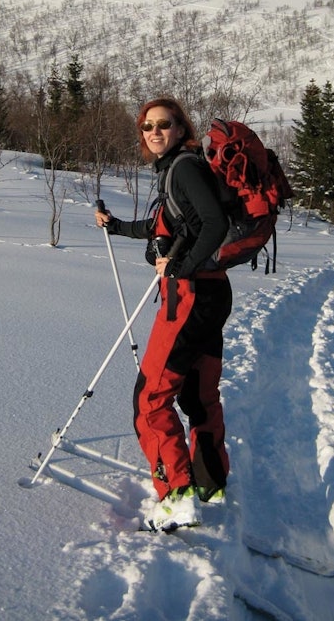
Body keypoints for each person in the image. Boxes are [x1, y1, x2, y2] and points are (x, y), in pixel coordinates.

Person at [94, 97, 232, 531]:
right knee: (198, 395)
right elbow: (169, 227)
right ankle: (210, 482)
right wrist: (116, 225)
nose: (154, 132)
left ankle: (176, 496)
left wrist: (179, 267)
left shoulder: (184, 169)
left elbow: (215, 225)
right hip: (211, 295)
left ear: (180, 128)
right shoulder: (180, 170)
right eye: (147, 126)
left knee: (150, 400)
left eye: (164, 124)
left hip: (189, 296)